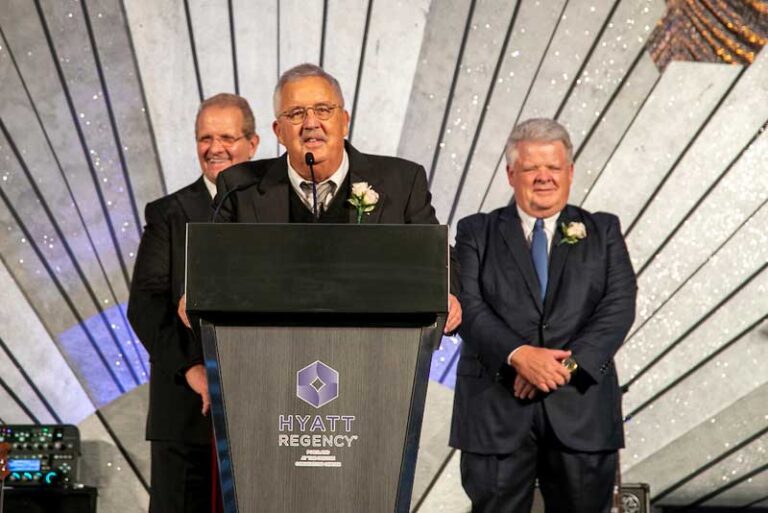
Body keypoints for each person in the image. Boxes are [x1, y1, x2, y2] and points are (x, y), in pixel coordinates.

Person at [449, 118, 637, 512]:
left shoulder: (603, 230)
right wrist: (520, 356)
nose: (543, 178)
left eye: (553, 168)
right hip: (495, 411)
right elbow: (469, 305)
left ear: (569, 173)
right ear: (511, 173)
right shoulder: (475, 232)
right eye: (532, 168)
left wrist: (560, 368)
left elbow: (618, 307)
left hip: (581, 411)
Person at [212, 63, 461, 332]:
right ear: (278, 132)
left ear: (344, 120)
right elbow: (209, 268)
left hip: (375, 351)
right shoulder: (238, 188)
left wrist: (447, 296)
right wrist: (190, 292)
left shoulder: (402, 181)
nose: (310, 123)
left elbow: (438, 260)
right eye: (296, 113)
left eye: (323, 110)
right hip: (273, 352)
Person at [127, 93, 259, 513]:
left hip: (263, 414)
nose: (214, 148)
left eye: (226, 136)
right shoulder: (168, 213)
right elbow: (145, 305)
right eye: (205, 137)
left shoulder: (274, 210)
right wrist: (192, 369)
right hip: (185, 417)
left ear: (253, 143)